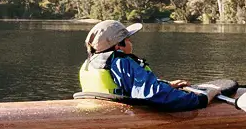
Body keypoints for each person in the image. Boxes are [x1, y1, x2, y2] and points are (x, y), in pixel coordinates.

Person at [76, 18, 211, 112]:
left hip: (98, 111)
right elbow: (153, 95)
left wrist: (166, 85)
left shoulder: (90, 63)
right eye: (128, 40)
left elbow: (123, 86)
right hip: (120, 117)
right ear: (118, 46)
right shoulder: (122, 62)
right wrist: (202, 99)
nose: (131, 43)